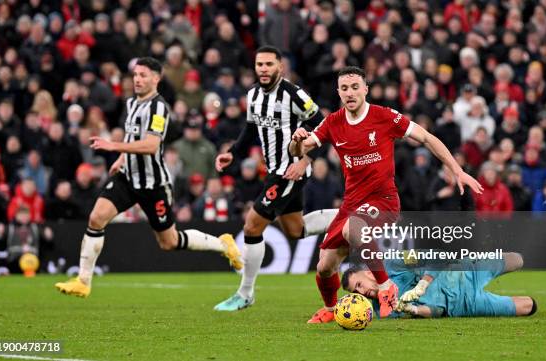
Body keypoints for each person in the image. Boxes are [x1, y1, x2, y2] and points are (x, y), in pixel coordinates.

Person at [289, 66, 483, 323]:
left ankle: (385, 286)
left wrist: (457, 170)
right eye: (344, 88)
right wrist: (297, 139)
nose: (350, 93)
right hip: (351, 203)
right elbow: (298, 150)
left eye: (355, 87)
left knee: (352, 229)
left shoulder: (384, 116)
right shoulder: (333, 122)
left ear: (365, 89)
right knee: (324, 267)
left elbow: (425, 137)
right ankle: (332, 309)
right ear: (338, 92)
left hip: (384, 201)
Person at [55, 57, 242, 298]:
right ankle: (83, 281)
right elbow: (134, 136)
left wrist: (114, 146)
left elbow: (152, 145)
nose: (138, 79)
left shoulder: (159, 108)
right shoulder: (132, 103)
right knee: (97, 217)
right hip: (127, 178)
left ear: (156, 78)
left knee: (169, 242)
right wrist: (122, 159)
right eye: (135, 75)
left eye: (144, 75)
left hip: (154, 185)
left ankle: (222, 243)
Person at [213, 46, 338, 311]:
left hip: (291, 169)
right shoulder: (254, 95)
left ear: (280, 67)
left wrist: (307, 160)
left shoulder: (293, 94)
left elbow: (323, 125)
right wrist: (232, 153)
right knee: (295, 230)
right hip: (274, 170)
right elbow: (250, 128)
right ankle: (344, 217)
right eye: (260, 64)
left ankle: (245, 293)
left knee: (251, 227)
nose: (264, 69)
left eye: (269, 64)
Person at [341, 252, 536, 318]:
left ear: (368, 273)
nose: (361, 292)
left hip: (463, 272)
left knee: (517, 260)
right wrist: (413, 310)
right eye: (355, 291)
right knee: (529, 306)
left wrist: (422, 285)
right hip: (463, 305)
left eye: (358, 284)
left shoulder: (395, 262)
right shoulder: (385, 311)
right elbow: (437, 312)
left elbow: (434, 255)